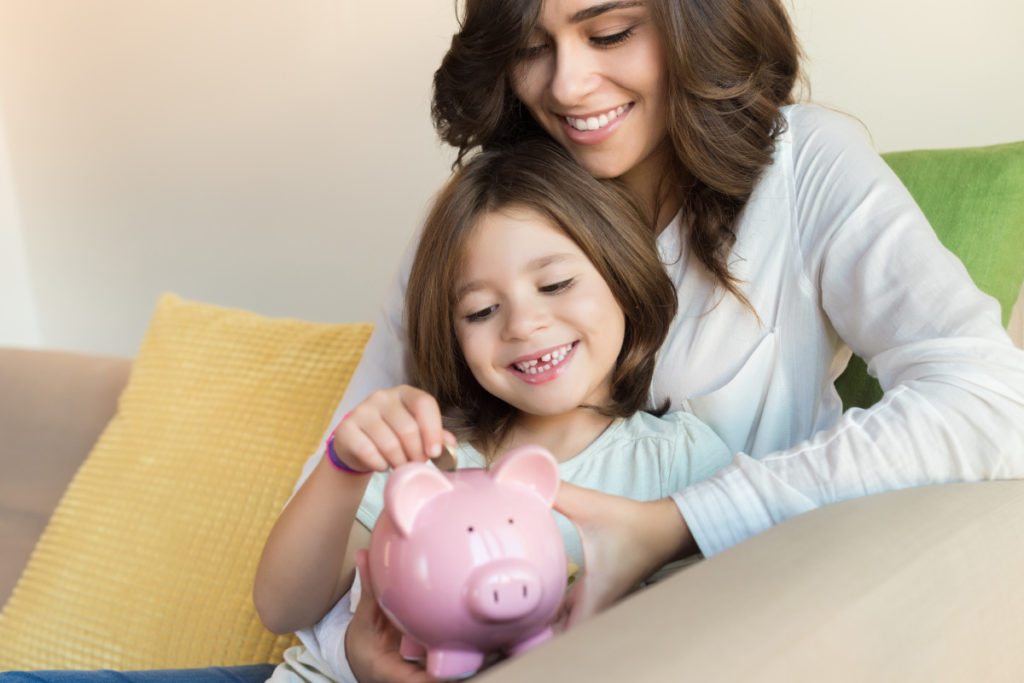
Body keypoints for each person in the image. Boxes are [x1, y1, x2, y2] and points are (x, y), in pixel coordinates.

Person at [309, 0, 1024, 679]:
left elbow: (993, 400)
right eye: (530, 46)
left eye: (611, 32)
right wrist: (357, 654)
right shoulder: (484, 217)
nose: (567, 83)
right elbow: (333, 515)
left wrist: (679, 522)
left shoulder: (803, 169)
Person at [253, 137, 734, 682]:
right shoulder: (429, 451)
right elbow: (282, 609)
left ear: (624, 275)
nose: (522, 325)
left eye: (555, 284)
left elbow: (709, 637)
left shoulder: (676, 461)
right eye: (481, 310)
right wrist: (344, 464)